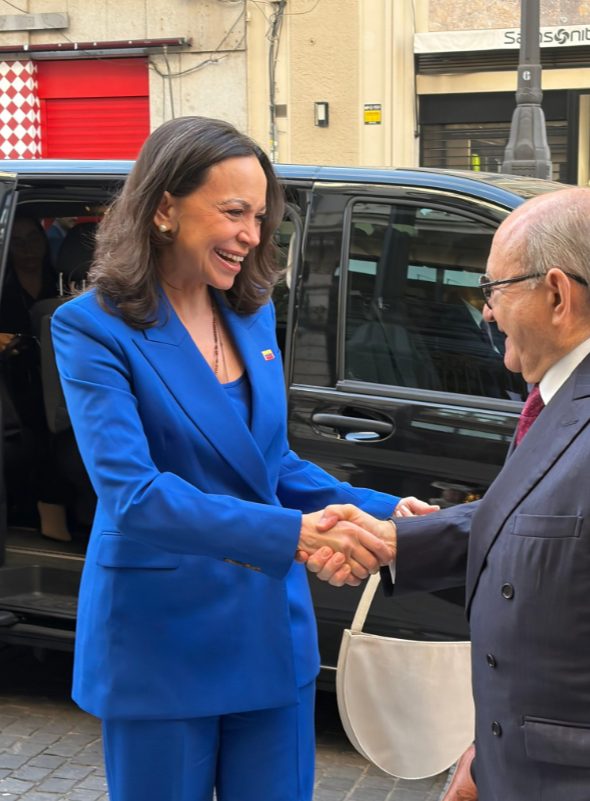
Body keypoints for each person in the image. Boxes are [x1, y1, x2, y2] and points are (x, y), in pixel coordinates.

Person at [50, 116, 435, 801]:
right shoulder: (91, 327)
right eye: (234, 212)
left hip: (269, 629)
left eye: (259, 217)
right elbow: (134, 496)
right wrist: (296, 536)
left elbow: (269, 463)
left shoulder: (250, 313)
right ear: (164, 208)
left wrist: (384, 510)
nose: (252, 235)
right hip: (162, 639)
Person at [303, 187, 590, 801]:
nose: (485, 312)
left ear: (557, 295)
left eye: (494, 288)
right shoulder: (558, 397)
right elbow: (527, 521)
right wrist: (392, 541)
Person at [0, 212, 72, 541]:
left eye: (33, 239)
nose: (27, 249)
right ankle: (46, 507)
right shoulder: (4, 287)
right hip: (15, 381)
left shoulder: (66, 282)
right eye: (17, 242)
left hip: (60, 376)